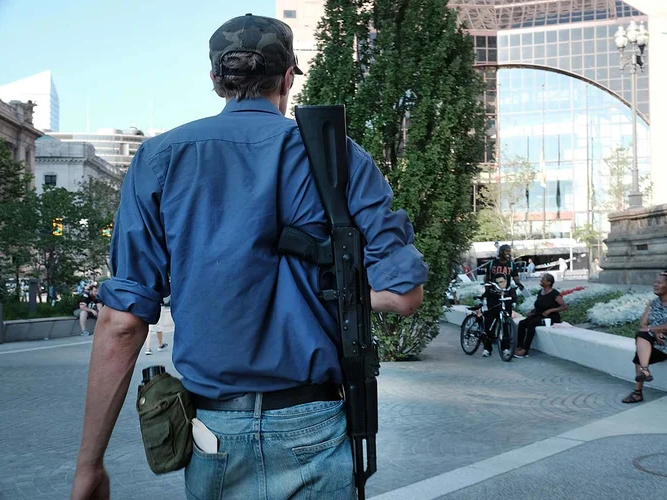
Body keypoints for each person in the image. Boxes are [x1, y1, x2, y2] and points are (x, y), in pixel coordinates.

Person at [70, 14, 427, 500]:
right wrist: (332, 290)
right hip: (316, 427)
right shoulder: (339, 156)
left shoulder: (159, 158)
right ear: (287, 77)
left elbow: (121, 323)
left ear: (216, 79)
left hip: (215, 431)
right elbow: (404, 296)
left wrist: (89, 465)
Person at [622, 270, 667, 404]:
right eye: (655, 282)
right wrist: (655, 332)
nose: (655, 285)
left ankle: (638, 391)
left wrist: (653, 329)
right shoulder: (653, 303)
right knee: (641, 336)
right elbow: (643, 323)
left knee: (640, 352)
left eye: (659, 283)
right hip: (657, 340)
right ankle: (644, 372)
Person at [480, 244, 523, 357]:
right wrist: (487, 287)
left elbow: (515, 276)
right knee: (490, 322)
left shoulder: (511, 265)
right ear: (501, 252)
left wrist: (518, 284)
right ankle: (487, 348)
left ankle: (505, 347)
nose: (508, 252)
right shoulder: (492, 264)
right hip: (493, 296)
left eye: (509, 251)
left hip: (506, 295)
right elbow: (486, 277)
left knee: (505, 322)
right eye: (506, 251)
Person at [514, 273, 567, 358]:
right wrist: (532, 312)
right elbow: (539, 305)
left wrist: (550, 310)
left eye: (543, 280)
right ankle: (519, 346)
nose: (541, 281)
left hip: (550, 317)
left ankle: (525, 350)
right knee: (522, 323)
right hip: (539, 315)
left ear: (549, 283)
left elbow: (564, 306)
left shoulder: (554, 294)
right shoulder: (540, 292)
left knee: (532, 324)